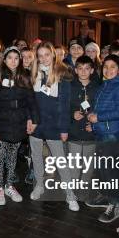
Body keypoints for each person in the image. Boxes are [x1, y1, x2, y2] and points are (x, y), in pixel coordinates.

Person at [29, 42, 78, 211]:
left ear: (53, 55)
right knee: (36, 157)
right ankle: (39, 185)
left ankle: (70, 193)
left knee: (60, 160)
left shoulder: (63, 74)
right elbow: (30, 101)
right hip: (36, 123)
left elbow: (65, 104)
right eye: (40, 55)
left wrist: (64, 128)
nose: (44, 58)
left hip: (55, 124)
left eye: (47, 54)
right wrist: (29, 120)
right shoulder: (34, 73)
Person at [0, 47, 38, 206]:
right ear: (5, 59)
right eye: (10, 58)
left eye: (17, 58)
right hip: (2, 122)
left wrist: (32, 119)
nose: (13, 61)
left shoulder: (24, 76)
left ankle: (9, 185)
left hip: (19, 122)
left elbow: (31, 101)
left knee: (13, 156)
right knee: (1, 156)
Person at [87, 55, 119, 223]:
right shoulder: (105, 85)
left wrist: (98, 118)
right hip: (103, 133)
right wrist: (93, 123)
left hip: (113, 135)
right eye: (106, 66)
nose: (108, 70)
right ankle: (107, 197)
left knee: (111, 172)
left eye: (113, 67)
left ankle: (115, 206)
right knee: (103, 170)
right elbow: (97, 108)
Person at [68, 55, 99, 203]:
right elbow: (63, 107)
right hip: (74, 132)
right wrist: (72, 114)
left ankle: (84, 191)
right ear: (75, 70)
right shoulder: (70, 86)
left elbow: (100, 109)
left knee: (88, 165)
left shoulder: (97, 88)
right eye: (80, 68)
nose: (83, 72)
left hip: (90, 133)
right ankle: (72, 192)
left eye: (87, 68)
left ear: (92, 70)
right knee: (74, 165)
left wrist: (93, 124)